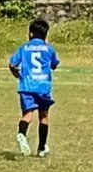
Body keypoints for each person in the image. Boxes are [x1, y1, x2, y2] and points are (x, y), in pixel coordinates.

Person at [10, 19, 60, 157]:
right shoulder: (49, 49)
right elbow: (54, 64)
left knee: (27, 114)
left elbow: (12, 64)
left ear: (31, 34)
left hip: (26, 86)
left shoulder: (24, 48)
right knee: (43, 116)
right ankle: (41, 148)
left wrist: (15, 73)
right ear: (46, 34)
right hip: (43, 87)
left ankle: (22, 134)